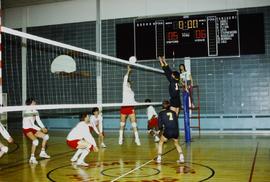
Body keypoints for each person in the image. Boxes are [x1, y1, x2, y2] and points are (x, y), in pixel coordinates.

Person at [23, 98, 50, 164]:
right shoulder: (27, 112)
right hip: (27, 128)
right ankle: (32, 158)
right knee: (35, 141)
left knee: (46, 137)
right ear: (30, 103)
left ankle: (42, 152)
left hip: (33, 128)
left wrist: (43, 127)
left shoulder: (35, 111)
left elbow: (38, 120)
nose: (35, 103)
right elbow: (31, 125)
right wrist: (41, 129)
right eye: (34, 102)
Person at [119, 65, 140, 146]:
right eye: (128, 82)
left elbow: (133, 100)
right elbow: (125, 78)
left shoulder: (131, 91)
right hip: (124, 107)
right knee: (122, 124)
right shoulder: (124, 87)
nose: (129, 83)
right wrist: (128, 71)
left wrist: (136, 103)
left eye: (129, 83)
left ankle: (137, 139)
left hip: (131, 107)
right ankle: (120, 138)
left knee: (134, 124)